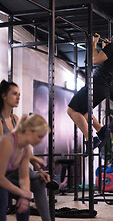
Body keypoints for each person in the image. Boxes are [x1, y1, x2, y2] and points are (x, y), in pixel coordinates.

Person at [67, 27, 113, 153]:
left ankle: (91, 139)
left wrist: (93, 42)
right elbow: (110, 60)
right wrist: (105, 48)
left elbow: (94, 60)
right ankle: (101, 130)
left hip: (97, 85)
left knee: (72, 111)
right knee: (85, 113)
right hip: (104, 88)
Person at [0, 80, 54, 221]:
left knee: (38, 181)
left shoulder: (15, 119)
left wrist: (38, 169)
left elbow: (23, 145)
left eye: (19, 94)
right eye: (14, 94)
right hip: (4, 168)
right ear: (4, 96)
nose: (18, 97)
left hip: (16, 167)